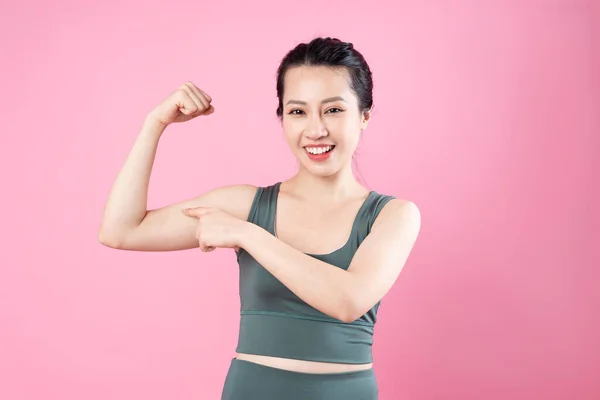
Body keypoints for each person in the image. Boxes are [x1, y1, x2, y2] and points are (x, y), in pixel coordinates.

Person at [98, 37, 421, 399]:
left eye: (333, 110)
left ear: (364, 115)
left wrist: (247, 234)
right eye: (298, 111)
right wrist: (154, 124)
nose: (315, 130)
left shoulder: (393, 216)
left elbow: (347, 301)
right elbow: (121, 231)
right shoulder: (247, 204)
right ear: (282, 117)